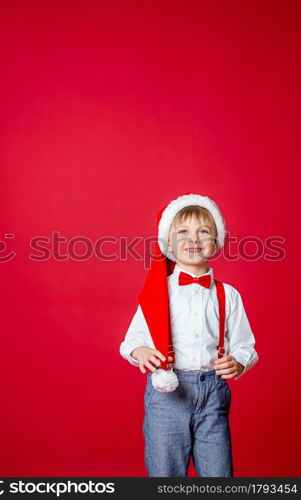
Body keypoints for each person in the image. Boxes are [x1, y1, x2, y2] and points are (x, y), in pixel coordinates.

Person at [119, 193, 259, 477]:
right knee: (165, 472)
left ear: (216, 241)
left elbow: (245, 345)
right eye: (182, 232)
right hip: (169, 395)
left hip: (213, 394)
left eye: (203, 231)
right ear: (168, 244)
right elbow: (131, 341)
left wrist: (239, 362)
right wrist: (140, 352)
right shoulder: (159, 292)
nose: (193, 239)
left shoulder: (228, 295)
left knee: (218, 472)